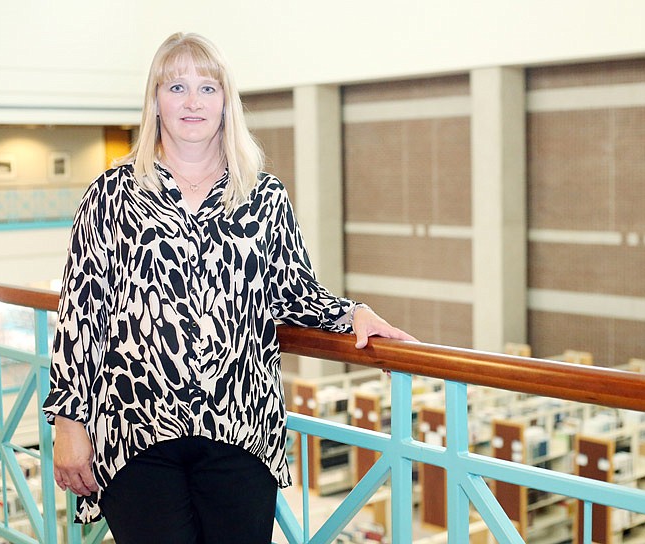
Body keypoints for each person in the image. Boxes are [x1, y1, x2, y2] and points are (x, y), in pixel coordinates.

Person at [42, 31, 416, 544]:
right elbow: (80, 318)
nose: (192, 102)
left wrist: (353, 315)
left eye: (207, 88)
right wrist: (69, 425)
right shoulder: (111, 194)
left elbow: (294, 289)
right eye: (176, 88)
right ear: (154, 101)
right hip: (135, 435)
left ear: (227, 102)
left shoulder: (264, 197)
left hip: (241, 430)